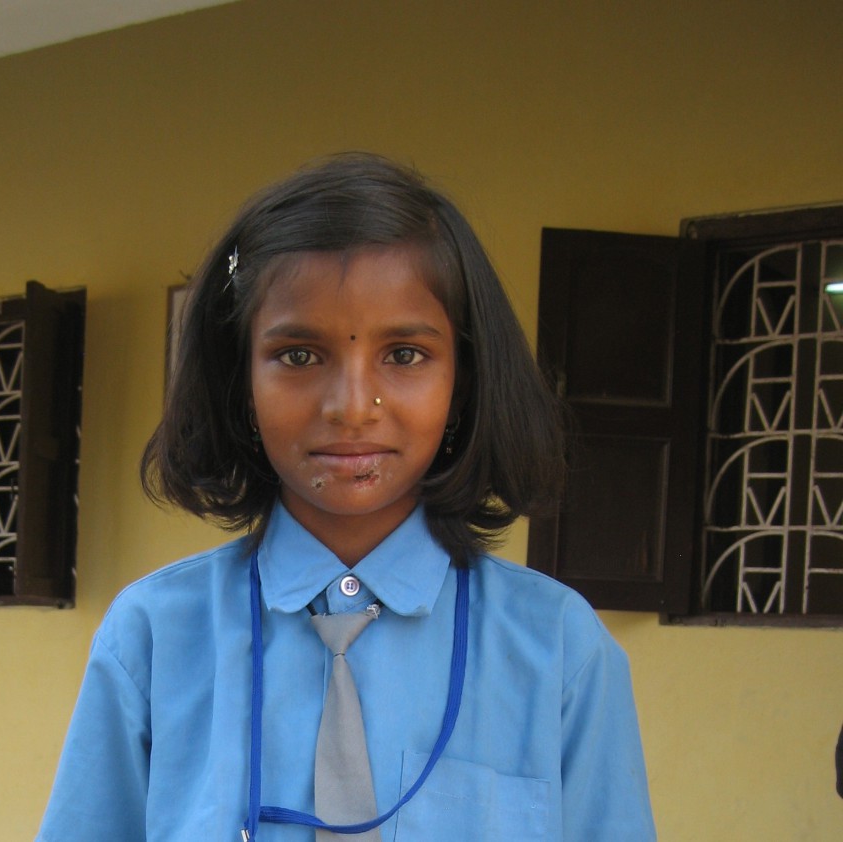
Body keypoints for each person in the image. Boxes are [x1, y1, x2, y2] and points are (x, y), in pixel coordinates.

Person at [36, 153, 656, 841]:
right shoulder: (153, 639)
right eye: (299, 355)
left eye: (404, 354)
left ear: (464, 384)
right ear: (240, 385)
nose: (352, 407)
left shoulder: (560, 651)